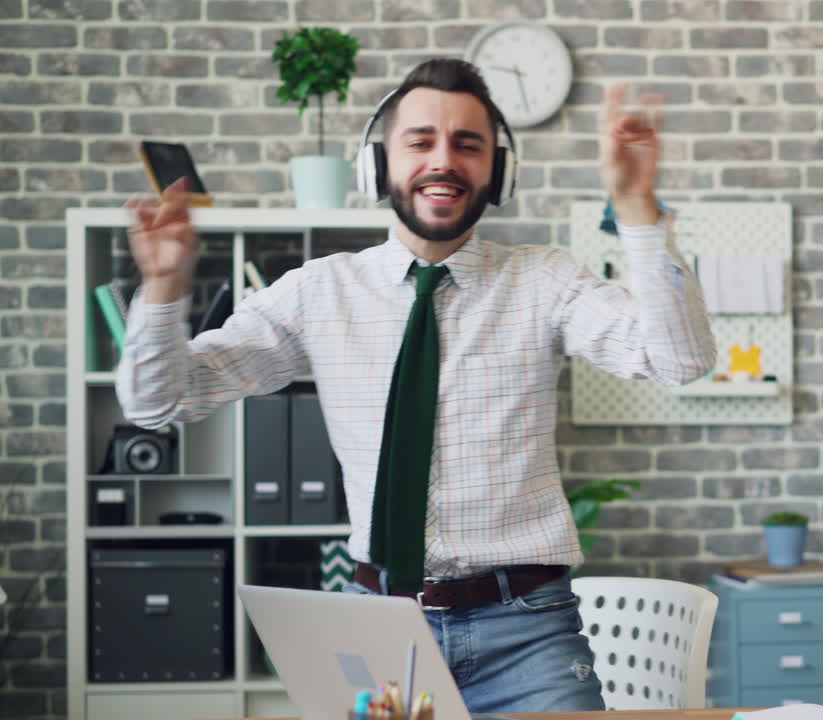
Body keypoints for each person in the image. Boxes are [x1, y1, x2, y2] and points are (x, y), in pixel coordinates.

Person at [118, 58, 715, 713]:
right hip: (377, 629)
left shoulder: (546, 280)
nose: (444, 160)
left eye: (468, 144)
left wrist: (637, 212)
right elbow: (158, 402)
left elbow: (677, 361)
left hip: (528, 634)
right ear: (379, 165)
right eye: (421, 140)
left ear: (498, 172)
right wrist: (164, 289)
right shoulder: (320, 291)